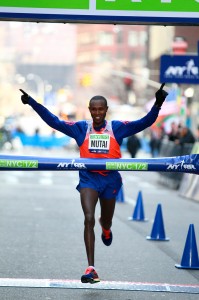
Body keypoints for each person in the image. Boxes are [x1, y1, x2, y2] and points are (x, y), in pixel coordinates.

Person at [19, 83, 168, 284]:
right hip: (88, 178)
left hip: (110, 179)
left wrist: (158, 103)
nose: (97, 113)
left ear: (106, 110)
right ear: (89, 110)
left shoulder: (117, 128)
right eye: (94, 109)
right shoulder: (82, 128)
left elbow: (144, 122)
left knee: (105, 220)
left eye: (101, 109)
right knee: (88, 217)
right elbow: (54, 121)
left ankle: (106, 227)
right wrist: (32, 103)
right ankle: (91, 268)